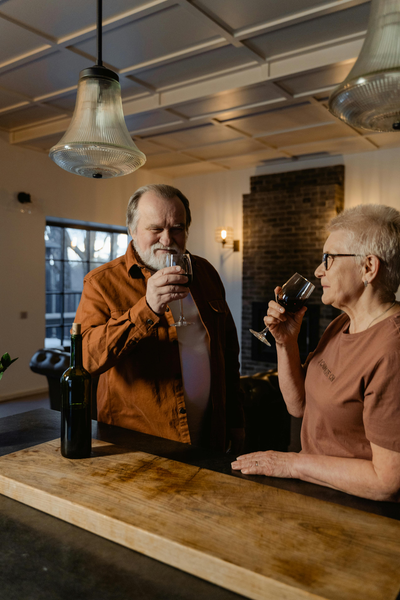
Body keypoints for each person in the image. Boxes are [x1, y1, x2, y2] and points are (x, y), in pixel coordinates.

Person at [232, 204, 400, 501]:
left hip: (357, 507)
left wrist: (292, 463)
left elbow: (387, 482)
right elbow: (299, 406)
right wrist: (286, 343)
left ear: (369, 267)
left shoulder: (392, 350)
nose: (318, 270)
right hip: (315, 490)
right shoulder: (342, 323)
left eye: (329, 259)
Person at [75, 184, 244, 452]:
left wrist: (235, 420)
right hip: (139, 441)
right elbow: (84, 359)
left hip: (210, 435)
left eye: (177, 228)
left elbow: (227, 353)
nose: (167, 239)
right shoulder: (101, 282)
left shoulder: (206, 273)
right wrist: (147, 308)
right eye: (155, 229)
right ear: (132, 230)